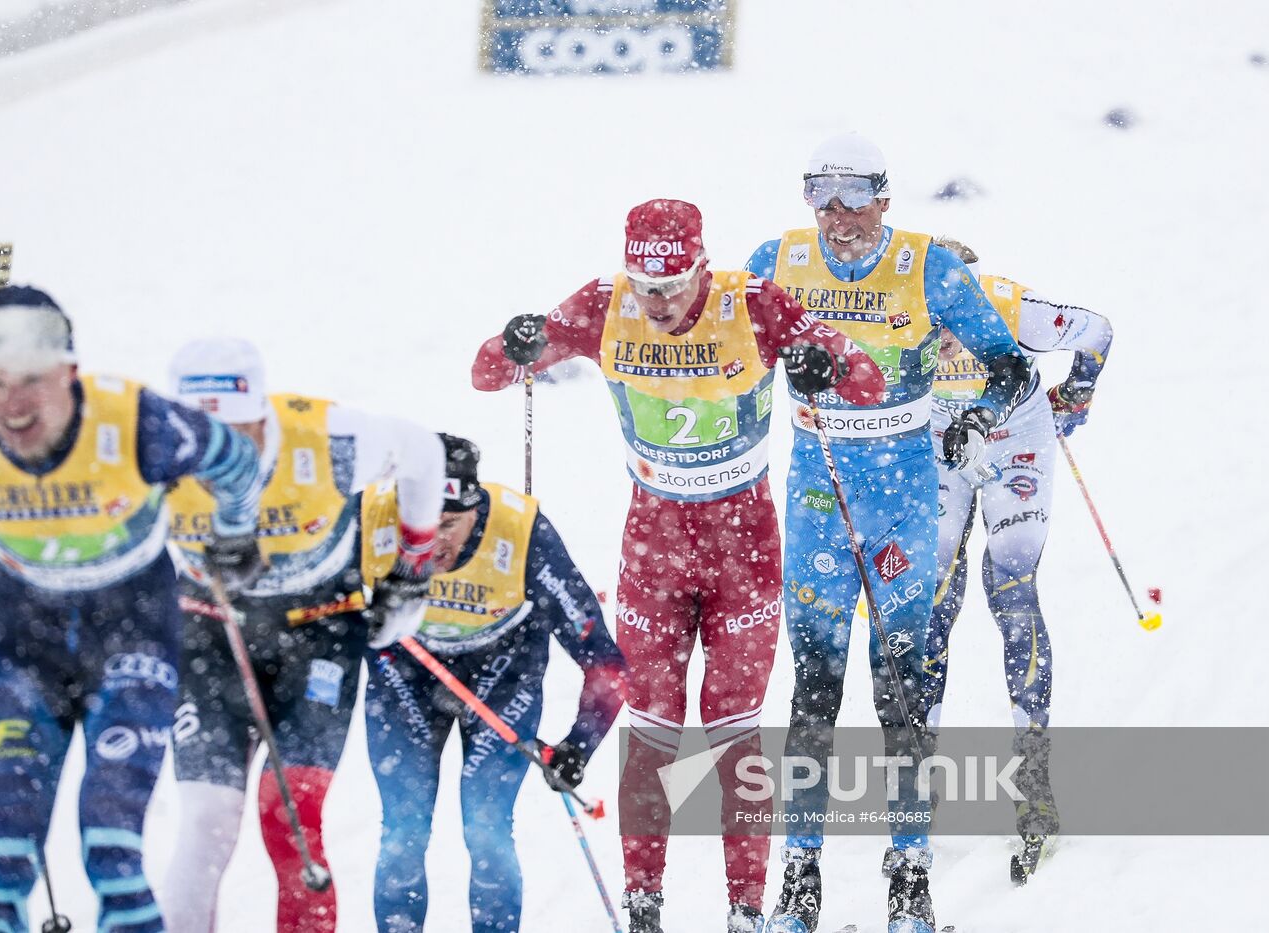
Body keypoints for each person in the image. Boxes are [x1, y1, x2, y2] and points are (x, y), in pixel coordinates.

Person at [473, 199, 884, 933]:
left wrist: (828, 362)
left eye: (669, 286)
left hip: (745, 554)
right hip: (653, 554)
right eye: (643, 286)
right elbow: (488, 373)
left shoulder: (753, 304)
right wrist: (518, 344)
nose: (655, 304)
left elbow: (867, 380)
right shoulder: (605, 305)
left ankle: (746, 911)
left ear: (701, 265)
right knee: (653, 731)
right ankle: (643, 907)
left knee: (735, 735)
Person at [0, 286, 263, 933]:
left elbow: (235, 461)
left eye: (32, 378)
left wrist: (236, 532)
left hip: (132, 628)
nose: (13, 402)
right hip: (24, 634)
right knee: (5, 861)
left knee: (113, 852)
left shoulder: (134, 421)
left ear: (69, 370)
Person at [744, 135, 1031, 933]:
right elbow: (731, 359)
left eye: (853, 195)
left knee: (901, 680)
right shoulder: (775, 259)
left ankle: (910, 879)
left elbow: (1012, 366)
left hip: (902, 493)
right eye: (820, 195)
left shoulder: (930, 265)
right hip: (815, 495)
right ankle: (799, 883)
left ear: (884, 197)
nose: (837, 215)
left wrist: (977, 417)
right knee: (814, 684)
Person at [158, 338, 445, 933]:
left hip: (317, 636)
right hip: (213, 638)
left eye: (237, 438)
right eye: (200, 444)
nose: (218, 463)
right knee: (207, 822)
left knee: (289, 814)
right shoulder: (148, 451)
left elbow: (423, 451)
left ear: (263, 415)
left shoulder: (331, 440)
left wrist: (412, 568)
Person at [362, 433, 627, 933]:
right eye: (416, 524)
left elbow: (606, 663)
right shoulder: (370, 513)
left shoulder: (521, 534)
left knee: (486, 831)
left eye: (448, 525)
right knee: (403, 832)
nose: (430, 541)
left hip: (502, 679)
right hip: (406, 677)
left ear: (474, 509)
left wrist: (579, 746)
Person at [919, 238, 1113, 878]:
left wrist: (1075, 395)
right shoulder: (894, 308)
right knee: (931, 598)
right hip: (945, 441)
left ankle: (1034, 786)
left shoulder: (1012, 307)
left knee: (1010, 584)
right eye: (932, 318)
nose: (945, 333)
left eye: (955, 317)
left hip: (1016, 443)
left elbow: (1097, 331)